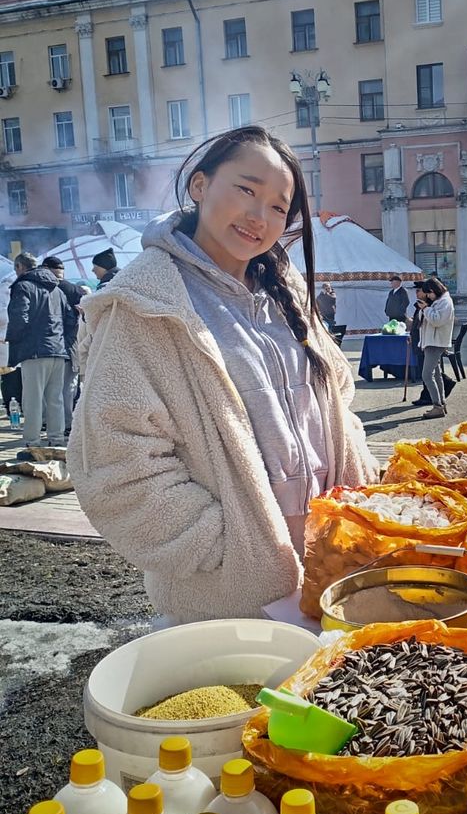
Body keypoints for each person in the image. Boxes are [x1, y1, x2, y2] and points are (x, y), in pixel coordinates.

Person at [68, 125, 378, 625]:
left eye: (278, 207)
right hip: (230, 594)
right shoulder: (147, 304)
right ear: (200, 185)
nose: (259, 217)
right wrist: (226, 546)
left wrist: (362, 496)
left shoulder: (285, 293)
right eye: (246, 190)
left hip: (334, 568)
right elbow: (114, 461)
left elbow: (340, 403)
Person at [6, 252, 75, 457]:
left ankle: (32, 443)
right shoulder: (57, 289)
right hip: (58, 350)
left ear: (20, 267)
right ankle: (57, 441)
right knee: (56, 399)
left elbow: (19, 318)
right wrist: (61, 341)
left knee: (33, 399)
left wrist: (12, 338)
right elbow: (70, 320)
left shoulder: (23, 286)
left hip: (34, 351)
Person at [41, 255, 86, 434]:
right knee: (67, 388)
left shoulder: (41, 289)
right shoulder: (75, 290)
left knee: (48, 388)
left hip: (50, 346)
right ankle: (67, 424)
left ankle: (51, 422)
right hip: (70, 345)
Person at [408, 282, 455, 408]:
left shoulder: (445, 302)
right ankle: (441, 403)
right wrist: (424, 308)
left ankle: (437, 405)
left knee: (427, 375)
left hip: (436, 342)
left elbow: (437, 321)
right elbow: (422, 320)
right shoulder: (437, 301)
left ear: (434, 290)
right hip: (430, 341)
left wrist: (425, 308)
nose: (428, 296)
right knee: (437, 374)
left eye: (428, 293)